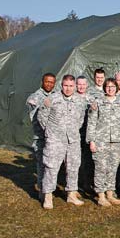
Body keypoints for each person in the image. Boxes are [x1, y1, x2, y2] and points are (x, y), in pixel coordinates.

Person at [38, 75, 87, 209]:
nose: (68, 88)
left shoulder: (79, 101)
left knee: (73, 167)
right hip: (55, 140)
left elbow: (81, 119)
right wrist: (50, 132)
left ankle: (71, 194)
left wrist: (73, 130)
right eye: (66, 85)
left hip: (73, 140)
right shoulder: (52, 99)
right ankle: (48, 196)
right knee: (51, 167)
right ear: (61, 85)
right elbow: (42, 116)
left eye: (71, 86)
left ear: (75, 86)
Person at [86, 78, 120, 207]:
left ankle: (110, 193)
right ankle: (101, 195)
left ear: (116, 88)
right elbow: (91, 123)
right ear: (104, 88)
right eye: (108, 86)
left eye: (112, 86)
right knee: (100, 168)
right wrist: (91, 141)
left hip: (117, 141)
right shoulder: (97, 102)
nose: (110, 89)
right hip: (100, 140)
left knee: (113, 168)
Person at [26, 73, 56, 195]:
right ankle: (41, 190)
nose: (49, 84)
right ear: (42, 82)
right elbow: (37, 116)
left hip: (54, 137)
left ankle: (49, 188)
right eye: (47, 81)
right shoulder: (34, 97)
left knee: (51, 165)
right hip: (41, 137)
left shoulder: (56, 96)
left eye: (52, 82)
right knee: (43, 164)